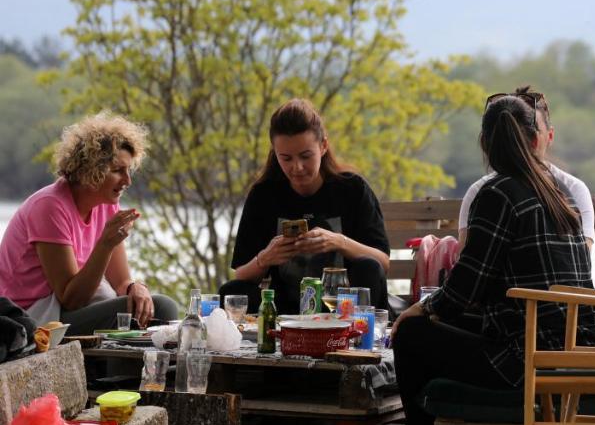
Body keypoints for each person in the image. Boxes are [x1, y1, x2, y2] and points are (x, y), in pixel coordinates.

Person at [390, 93, 595, 425]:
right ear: (535, 138)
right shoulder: (559, 189)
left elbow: (466, 289)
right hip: (577, 344)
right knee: (429, 326)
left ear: (485, 143)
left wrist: (420, 308)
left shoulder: (497, 194)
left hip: (530, 358)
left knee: (412, 335)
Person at [0, 112, 179, 335]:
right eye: (117, 171)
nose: (127, 180)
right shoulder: (49, 206)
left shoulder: (106, 203)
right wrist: (105, 244)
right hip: (31, 317)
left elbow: (121, 281)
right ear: (89, 171)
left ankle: (143, 370)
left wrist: (135, 288)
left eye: (128, 170)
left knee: (159, 307)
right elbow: (71, 298)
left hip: (69, 307)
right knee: (144, 309)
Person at [222, 99, 391, 314]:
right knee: (230, 291)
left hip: (342, 308)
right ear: (275, 153)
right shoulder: (264, 195)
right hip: (284, 309)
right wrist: (266, 257)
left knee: (368, 268)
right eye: (286, 158)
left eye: (305, 156)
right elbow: (241, 276)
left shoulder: (352, 189)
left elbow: (382, 264)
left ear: (323, 146)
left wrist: (337, 241)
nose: (297, 167)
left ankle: (356, 340)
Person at [457, 85, 594, 248]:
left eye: (528, 129)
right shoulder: (478, 190)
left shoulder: (573, 188)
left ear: (548, 136)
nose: (517, 138)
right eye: (512, 129)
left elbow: (583, 252)